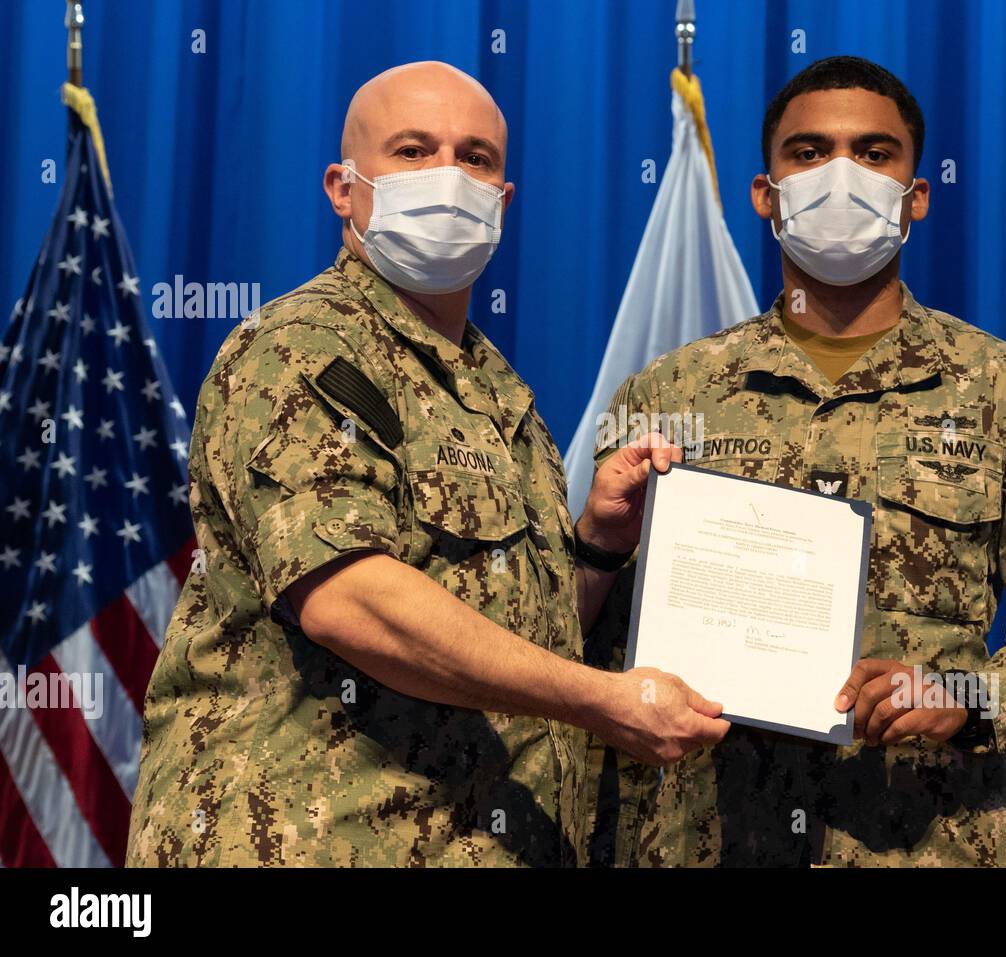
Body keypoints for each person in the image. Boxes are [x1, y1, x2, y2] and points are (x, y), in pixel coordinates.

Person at [126, 61, 728, 868]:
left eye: (475, 158)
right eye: (414, 151)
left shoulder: (495, 389)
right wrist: (606, 701)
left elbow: (520, 637)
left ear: (503, 201)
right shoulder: (299, 349)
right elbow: (351, 601)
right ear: (343, 188)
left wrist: (594, 546)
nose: (448, 176)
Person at [584, 56, 1006, 866]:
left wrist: (970, 697)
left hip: (927, 843)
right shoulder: (670, 392)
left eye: (874, 153)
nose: (840, 174)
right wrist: (594, 541)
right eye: (808, 152)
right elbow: (588, 636)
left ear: (916, 195)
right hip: (706, 841)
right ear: (764, 193)